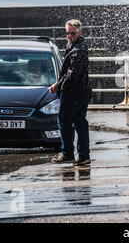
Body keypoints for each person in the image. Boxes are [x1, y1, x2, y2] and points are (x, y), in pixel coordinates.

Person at [49, 19, 92, 166]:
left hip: (75, 92)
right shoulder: (72, 45)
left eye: (72, 33)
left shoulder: (78, 50)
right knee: (80, 122)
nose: (69, 36)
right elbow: (68, 73)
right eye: (67, 33)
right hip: (81, 91)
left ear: (79, 32)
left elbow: (71, 75)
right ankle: (83, 155)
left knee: (64, 121)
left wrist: (57, 86)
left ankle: (68, 153)